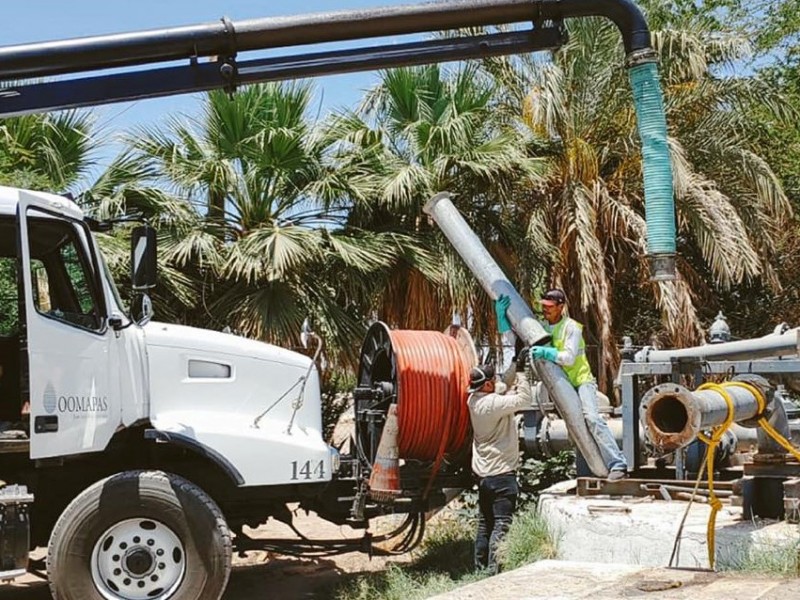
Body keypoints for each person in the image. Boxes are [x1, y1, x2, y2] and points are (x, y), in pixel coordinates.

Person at [495, 289, 628, 481]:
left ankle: (618, 464)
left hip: (581, 381)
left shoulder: (572, 327)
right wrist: (502, 319)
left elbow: (569, 357)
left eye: (550, 307)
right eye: (543, 306)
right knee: (574, 428)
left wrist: (546, 353)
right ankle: (592, 468)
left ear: (561, 307)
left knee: (592, 418)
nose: (545, 310)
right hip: (561, 385)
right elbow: (514, 341)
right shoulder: (541, 327)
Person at [466, 362, 532, 573]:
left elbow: (503, 384)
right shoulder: (493, 404)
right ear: (486, 384)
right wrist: (522, 374)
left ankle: (479, 568)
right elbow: (525, 399)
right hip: (502, 473)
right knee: (502, 523)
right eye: (492, 379)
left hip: (484, 475)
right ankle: (495, 571)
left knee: (485, 523)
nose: (496, 381)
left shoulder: (473, 400)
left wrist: (515, 364)